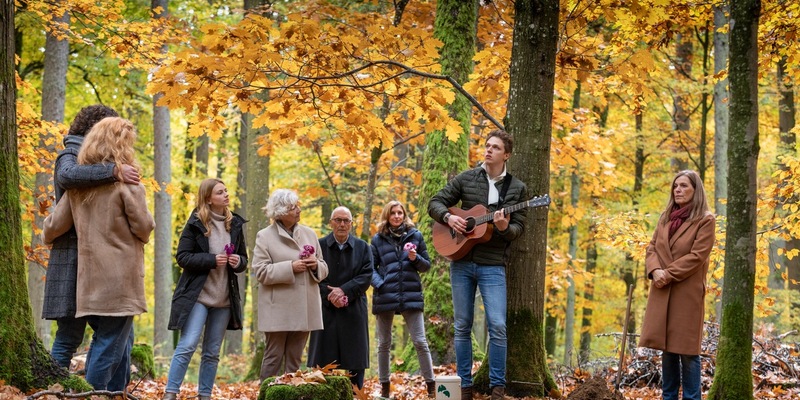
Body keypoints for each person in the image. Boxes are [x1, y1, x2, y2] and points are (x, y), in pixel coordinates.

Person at [42, 117, 154, 391]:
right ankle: (93, 394)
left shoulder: (77, 189)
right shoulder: (128, 184)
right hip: (121, 278)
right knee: (110, 343)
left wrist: (46, 236)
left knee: (105, 340)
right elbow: (144, 227)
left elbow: (54, 227)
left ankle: (104, 393)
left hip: (88, 279)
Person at [428, 129, 528, 400]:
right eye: (486, 146)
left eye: (495, 147)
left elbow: (518, 229)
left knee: (497, 325)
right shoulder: (466, 178)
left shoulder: (517, 189)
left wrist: (505, 227)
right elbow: (434, 202)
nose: (488, 150)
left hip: (493, 264)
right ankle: (464, 386)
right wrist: (449, 218)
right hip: (461, 262)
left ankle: (497, 386)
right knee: (462, 326)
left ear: (506, 154)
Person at [162, 178, 248, 400]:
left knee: (212, 352)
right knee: (188, 344)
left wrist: (238, 261)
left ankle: (205, 395)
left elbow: (244, 260)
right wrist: (211, 259)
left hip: (224, 300)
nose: (226, 195)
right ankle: (170, 393)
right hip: (198, 296)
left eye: (226, 191)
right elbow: (182, 257)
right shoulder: (195, 223)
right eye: (220, 192)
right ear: (209, 198)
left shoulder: (235, 225)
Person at [639, 170, 715, 400]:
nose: (678, 190)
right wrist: (655, 271)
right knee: (667, 348)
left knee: (687, 350)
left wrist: (667, 273)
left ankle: (692, 398)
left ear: (695, 190)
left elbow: (697, 255)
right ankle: (668, 397)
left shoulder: (705, 219)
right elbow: (652, 248)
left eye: (684, 186)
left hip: (686, 292)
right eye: (676, 186)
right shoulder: (665, 217)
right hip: (662, 290)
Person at [252, 189, 329, 380]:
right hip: (277, 308)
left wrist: (315, 265)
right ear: (281, 211)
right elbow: (260, 271)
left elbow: (324, 268)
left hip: (305, 307)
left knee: (295, 360)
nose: (298, 210)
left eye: (298, 206)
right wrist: (290, 267)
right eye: (293, 207)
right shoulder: (265, 236)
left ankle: (292, 393)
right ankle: (265, 392)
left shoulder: (310, 234)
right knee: (273, 357)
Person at [371, 201, 436, 399]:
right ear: (387, 216)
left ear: (404, 215)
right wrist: (381, 284)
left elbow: (426, 266)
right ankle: (384, 387)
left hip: (411, 293)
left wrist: (415, 258)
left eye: (400, 213)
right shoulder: (377, 239)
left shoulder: (415, 235)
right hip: (385, 295)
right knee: (384, 343)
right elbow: (370, 269)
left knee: (420, 341)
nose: (397, 216)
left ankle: (431, 385)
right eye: (393, 213)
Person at [307, 206, 372, 389]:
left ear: (351, 224)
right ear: (331, 223)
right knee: (322, 361)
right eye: (338, 220)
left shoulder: (363, 247)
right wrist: (330, 295)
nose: (342, 224)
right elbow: (312, 277)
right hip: (325, 310)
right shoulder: (318, 246)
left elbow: (366, 276)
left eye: (346, 221)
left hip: (354, 308)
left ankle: (356, 392)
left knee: (355, 361)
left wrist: (344, 291)